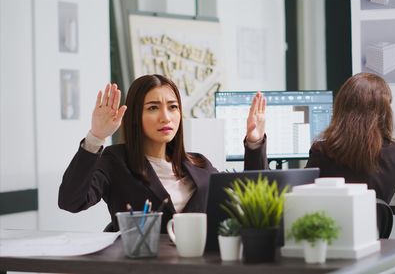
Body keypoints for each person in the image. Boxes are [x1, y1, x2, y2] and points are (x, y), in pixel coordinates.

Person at [58, 74, 267, 233]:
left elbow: (250, 200)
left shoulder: (199, 164)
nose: (165, 117)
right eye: (152, 108)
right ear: (134, 116)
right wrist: (96, 137)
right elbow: (71, 200)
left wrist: (254, 142)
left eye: (173, 107)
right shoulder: (116, 161)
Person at [305, 72, 395, 204]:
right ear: (384, 112)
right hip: (374, 225)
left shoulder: (322, 151)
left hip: (334, 225)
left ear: (341, 106)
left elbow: (304, 192)